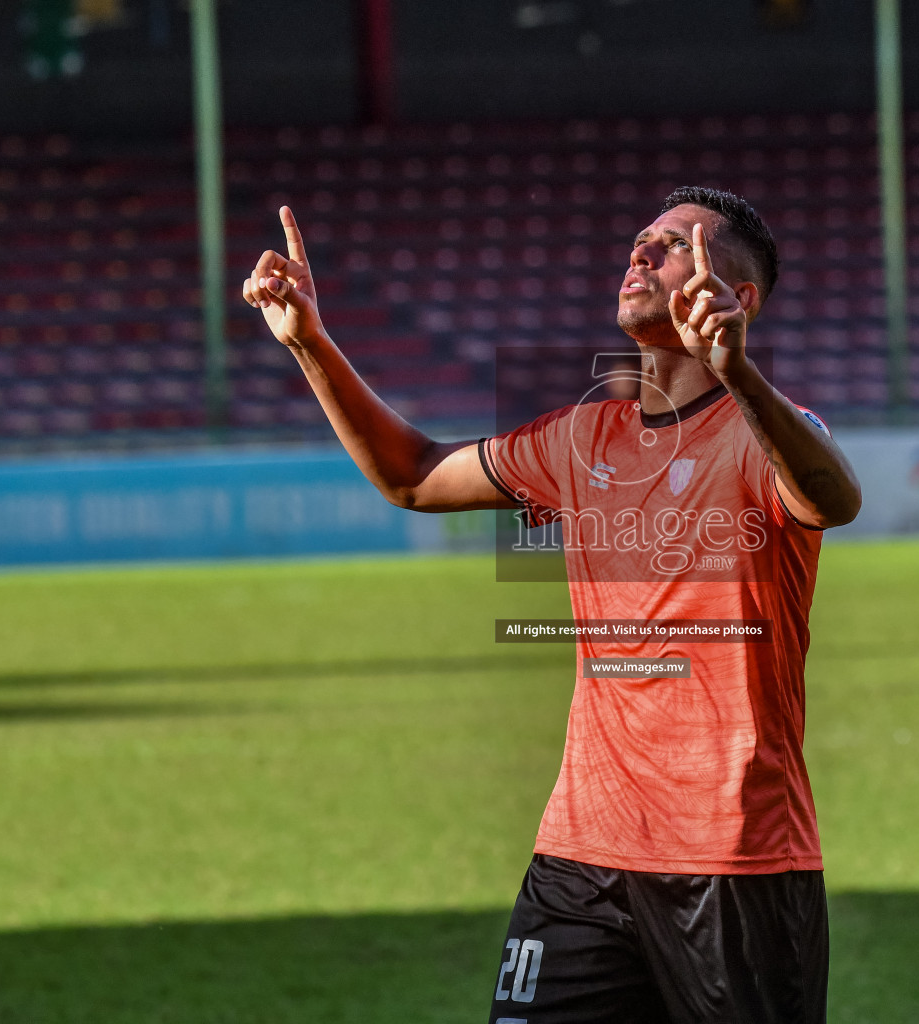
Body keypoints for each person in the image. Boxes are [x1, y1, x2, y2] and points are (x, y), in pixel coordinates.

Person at [242, 185, 861, 1024]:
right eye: (640, 239)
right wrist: (311, 342)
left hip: (733, 859)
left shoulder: (766, 433)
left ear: (737, 296)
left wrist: (737, 372)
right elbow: (414, 476)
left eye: (673, 245)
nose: (641, 253)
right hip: (579, 854)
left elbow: (833, 499)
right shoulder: (580, 438)